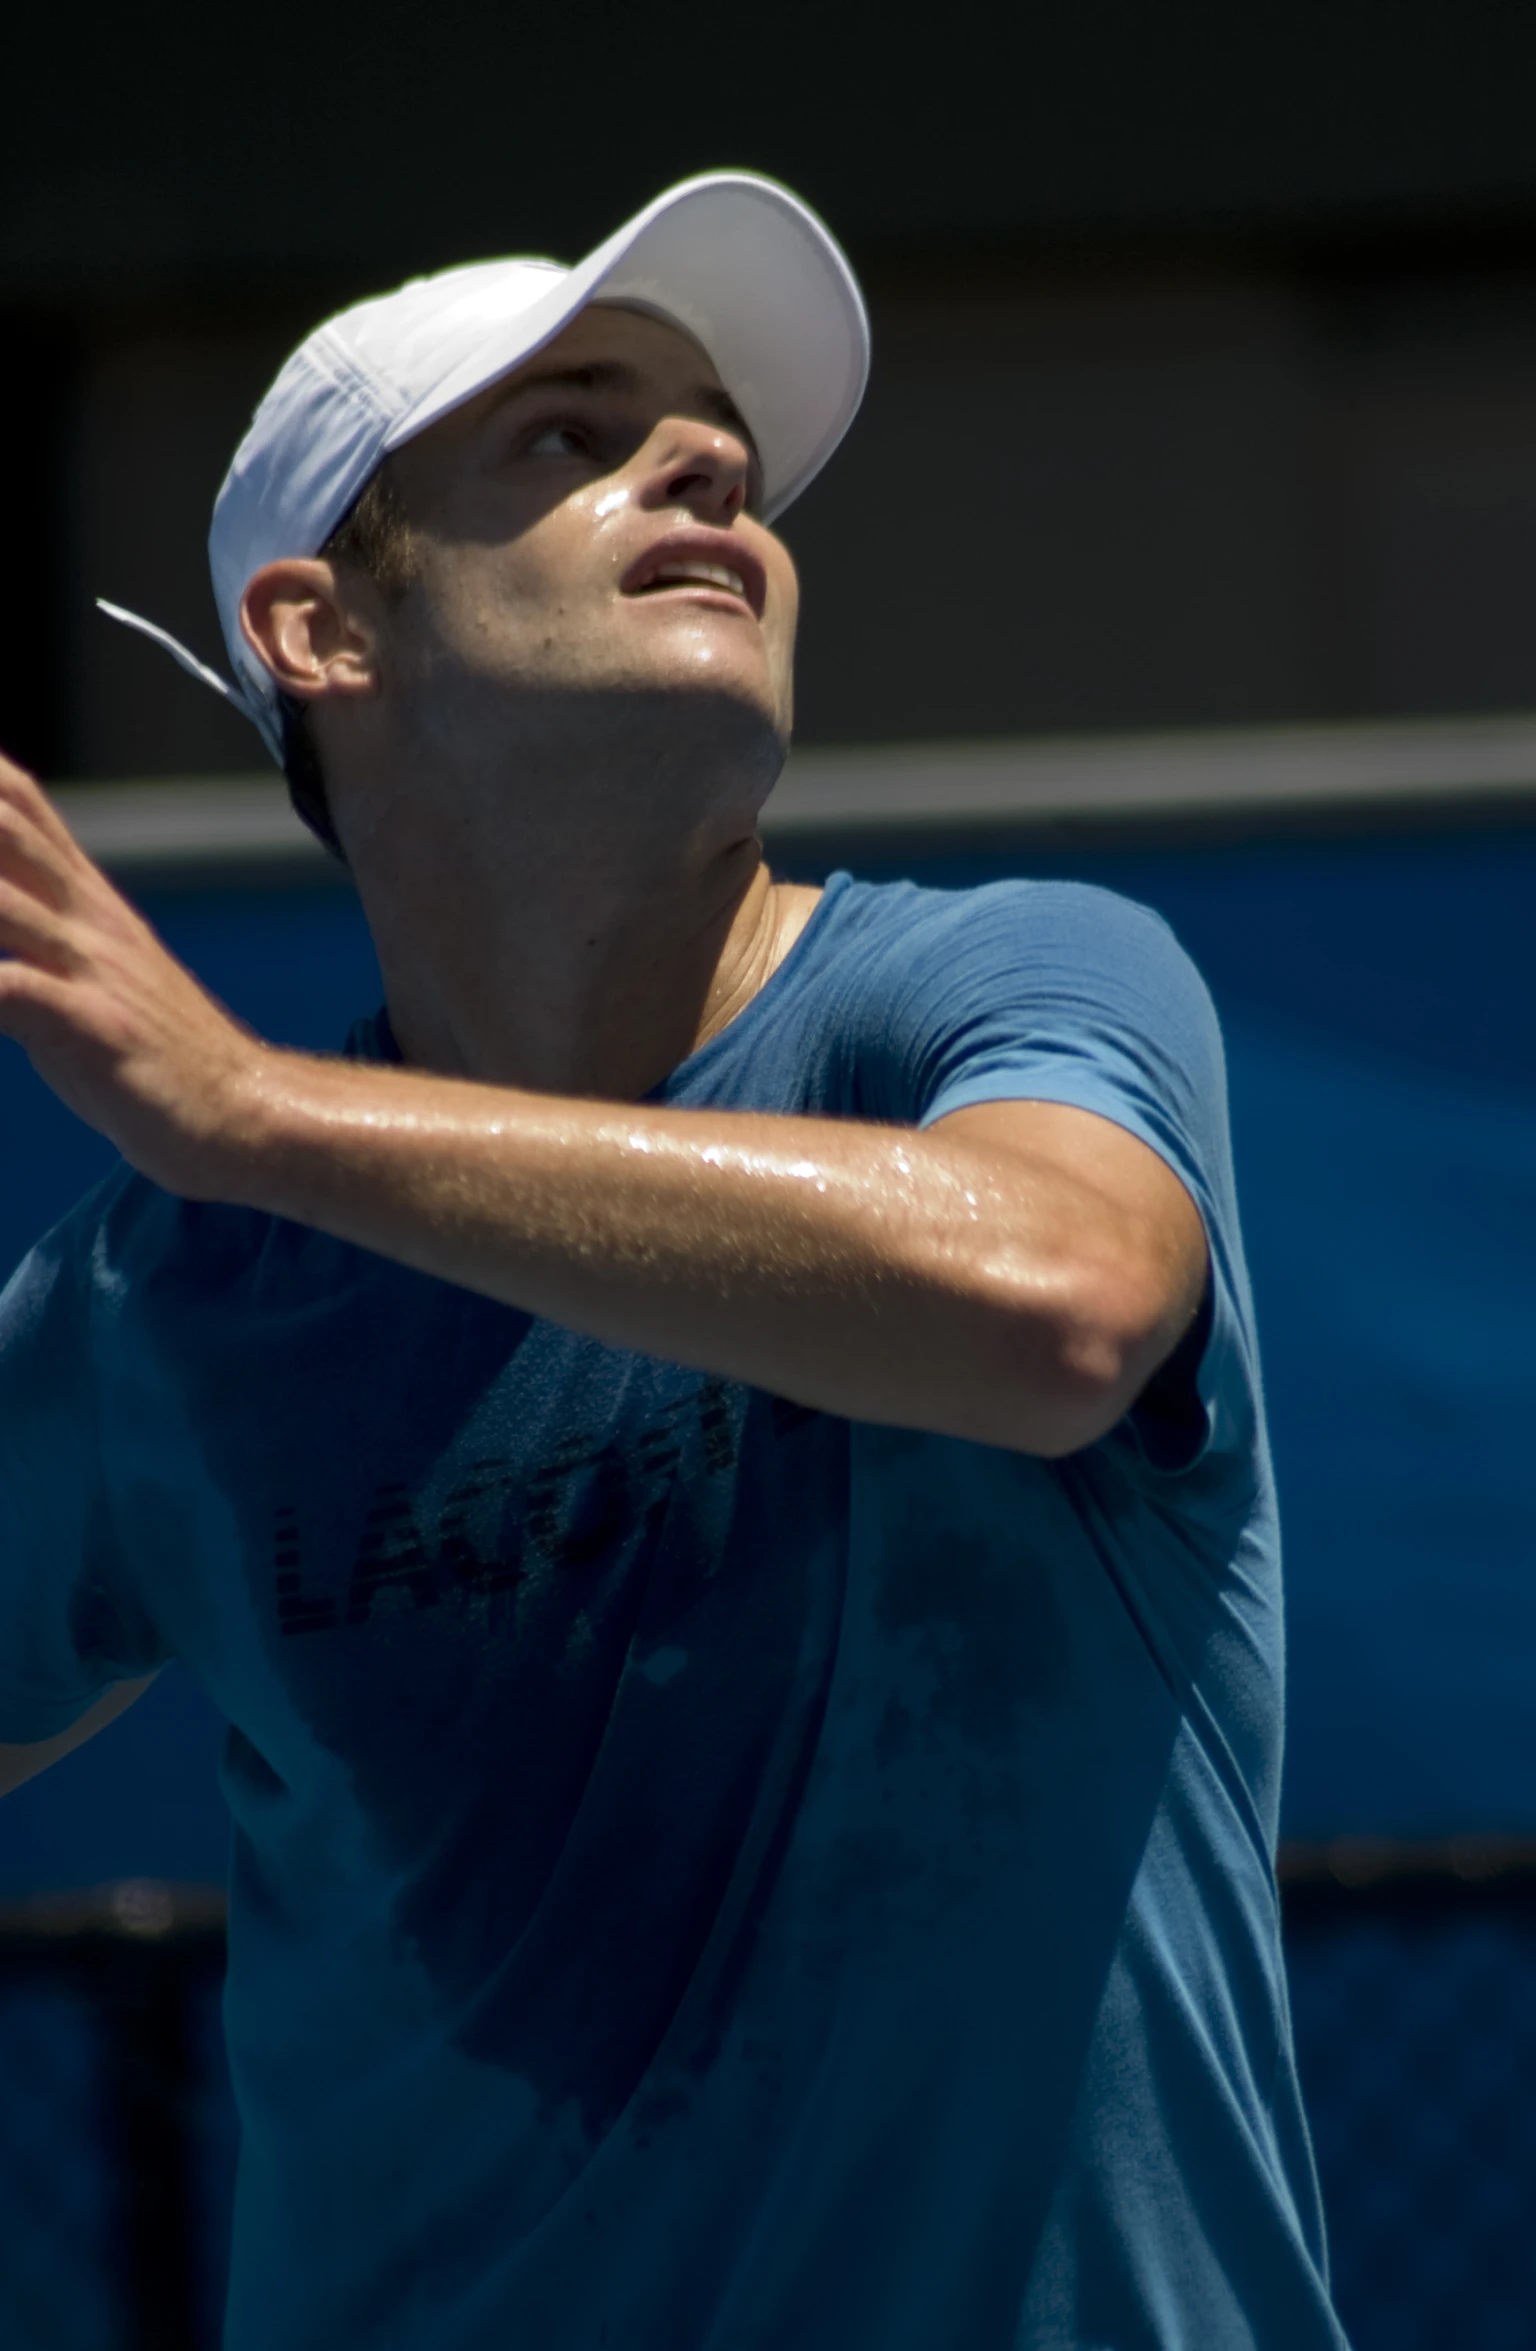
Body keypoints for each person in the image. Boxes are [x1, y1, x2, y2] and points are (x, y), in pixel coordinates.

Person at [0, 173, 1346, 2348]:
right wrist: (228, 1151)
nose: (708, 459)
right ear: (322, 626)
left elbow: (1061, 1301)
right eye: (573, 432)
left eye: (713, 435)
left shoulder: (1018, 984)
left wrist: (247, 1115)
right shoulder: (164, 1302)